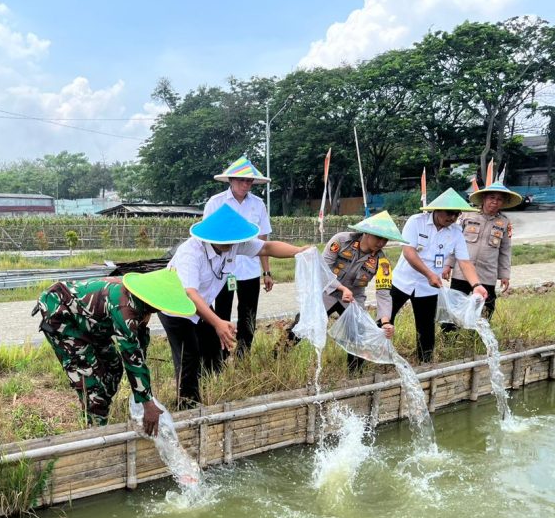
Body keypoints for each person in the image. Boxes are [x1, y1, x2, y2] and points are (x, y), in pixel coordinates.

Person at [160, 203, 311, 408]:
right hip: (175, 306)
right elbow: (190, 294)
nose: (232, 245)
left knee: (212, 347)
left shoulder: (233, 244)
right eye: (227, 241)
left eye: (234, 240)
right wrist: (218, 323)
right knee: (188, 355)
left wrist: (298, 251)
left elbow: (266, 247)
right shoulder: (191, 252)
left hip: (201, 303)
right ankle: (187, 405)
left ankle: (211, 389)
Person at [33, 269, 196, 436]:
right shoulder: (125, 307)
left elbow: (138, 349)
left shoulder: (142, 300)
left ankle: (101, 408)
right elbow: (131, 354)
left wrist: (142, 390)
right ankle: (95, 431)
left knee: (114, 367)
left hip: (92, 321)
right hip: (61, 314)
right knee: (91, 380)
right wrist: (147, 402)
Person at [284, 210, 406, 374]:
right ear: (366, 233)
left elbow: (384, 292)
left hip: (353, 299)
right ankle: (278, 357)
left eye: (386, 239)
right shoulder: (341, 241)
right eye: (378, 237)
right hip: (326, 292)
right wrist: (340, 288)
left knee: (359, 336)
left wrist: (385, 322)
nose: (381, 243)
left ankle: (354, 374)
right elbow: (322, 269)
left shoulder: (382, 261)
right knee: (301, 326)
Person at [390, 188, 488, 363]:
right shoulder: (416, 222)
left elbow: (464, 262)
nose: (452, 218)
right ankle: (364, 361)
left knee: (426, 328)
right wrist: (429, 274)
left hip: (429, 287)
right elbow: (409, 252)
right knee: (385, 320)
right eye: (449, 213)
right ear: (437, 210)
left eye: (457, 214)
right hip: (402, 281)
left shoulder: (456, 232)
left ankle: (425, 364)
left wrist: (476, 285)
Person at [203, 157, 272, 357]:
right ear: (231, 180)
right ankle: (221, 356)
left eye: (249, 181)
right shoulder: (216, 203)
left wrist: (267, 271)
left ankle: (243, 354)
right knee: (221, 313)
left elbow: (263, 240)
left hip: (249, 269)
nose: (245, 184)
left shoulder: (258, 205)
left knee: (248, 315)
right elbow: (205, 238)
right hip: (222, 270)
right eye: (241, 180)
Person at [442, 180, 521, 326]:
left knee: (486, 308)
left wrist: (505, 275)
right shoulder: (467, 216)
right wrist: (448, 264)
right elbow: (454, 242)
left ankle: (477, 335)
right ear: (484, 198)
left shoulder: (504, 222)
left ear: (503, 203)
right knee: (455, 305)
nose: (495, 202)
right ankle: (449, 334)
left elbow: (505, 250)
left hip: (487, 274)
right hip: (462, 272)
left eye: (499, 199)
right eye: (492, 198)